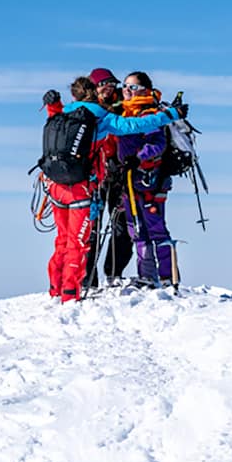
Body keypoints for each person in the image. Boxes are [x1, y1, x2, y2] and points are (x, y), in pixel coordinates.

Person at [42, 76, 187, 302]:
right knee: (77, 243)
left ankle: (55, 289)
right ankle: (70, 294)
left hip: (56, 187)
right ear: (93, 93)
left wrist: (53, 105)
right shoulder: (100, 116)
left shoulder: (65, 112)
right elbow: (136, 126)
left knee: (62, 240)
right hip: (82, 188)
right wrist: (171, 115)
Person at [114, 70, 179, 285]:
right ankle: (147, 276)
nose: (126, 90)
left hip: (150, 180)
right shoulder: (123, 114)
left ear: (144, 90)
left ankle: (169, 277)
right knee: (137, 230)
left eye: (132, 87)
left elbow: (157, 144)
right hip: (130, 181)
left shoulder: (149, 114)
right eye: (124, 85)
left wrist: (138, 158)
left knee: (156, 228)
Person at [83, 66, 133, 288]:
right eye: (103, 84)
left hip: (118, 171)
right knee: (92, 226)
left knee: (121, 225)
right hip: (96, 173)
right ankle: (88, 277)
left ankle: (113, 272)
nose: (107, 88)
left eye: (111, 84)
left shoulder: (123, 108)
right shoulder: (88, 111)